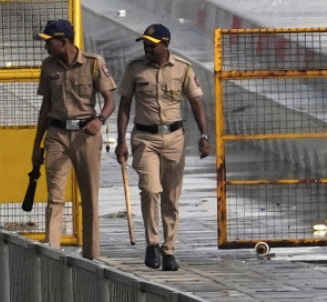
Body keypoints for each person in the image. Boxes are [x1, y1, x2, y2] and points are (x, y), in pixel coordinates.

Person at [114, 24, 210, 272]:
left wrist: (204, 135)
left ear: (165, 44)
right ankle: (152, 243)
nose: (147, 48)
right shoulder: (135, 68)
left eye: (152, 44)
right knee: (150, 189)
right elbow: (124, 105)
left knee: (171, 196)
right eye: (145, 44)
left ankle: (169, 249)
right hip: (144, 138)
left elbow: (196, 102)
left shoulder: (183, 68)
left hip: (174, 139)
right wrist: (121, 140)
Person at [31, 19, 115, 260]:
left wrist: (100, 120)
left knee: (90, 196)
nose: (46, 47)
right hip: (57, 135)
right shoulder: (48, 66)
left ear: (64, 41)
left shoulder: (93, 63)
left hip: (86, 136)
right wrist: (37, 145)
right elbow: (45, 107)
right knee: (55, 196)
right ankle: (52, 250)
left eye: (49, 42)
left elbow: (110, 101)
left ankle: (92, 255)